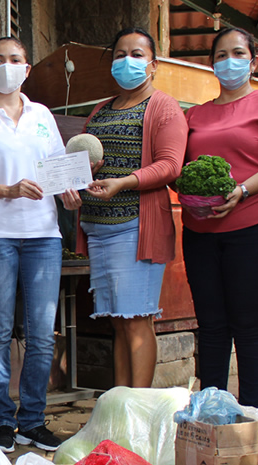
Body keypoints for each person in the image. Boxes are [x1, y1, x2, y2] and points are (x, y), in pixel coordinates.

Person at [0, 37, 81, 452]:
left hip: (44, 235)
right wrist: (7, 190)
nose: (5, 66)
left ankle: (32, 420)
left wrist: (69, 191)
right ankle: (3, 423)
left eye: (14, 60)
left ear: (26, 69)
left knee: (42, 334)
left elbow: (58, 169)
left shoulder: (42, 115)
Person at [182, 27, 258, 408]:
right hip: (200, 233)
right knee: (212, 328)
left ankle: (253, 417)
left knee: (250, 327)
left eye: (238, 53)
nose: (228, 61)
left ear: (253, 62)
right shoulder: (194, 115)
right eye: (221, 55)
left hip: (257, 229)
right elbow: (178, 166)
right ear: (212, 64)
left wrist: (243, 190)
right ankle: (211, 414)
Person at [78, 28, 187, 388]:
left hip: (135, 228)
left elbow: (170, 165)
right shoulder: (100, 110)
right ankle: (120, 402)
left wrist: (124, 182)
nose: (128, 61)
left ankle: (137, 407)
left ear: (153, 65)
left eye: (137, 54)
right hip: (99, 228)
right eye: (120, 54)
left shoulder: (163, 106)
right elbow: (88, 161)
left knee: (137, 320)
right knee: (118, 321)